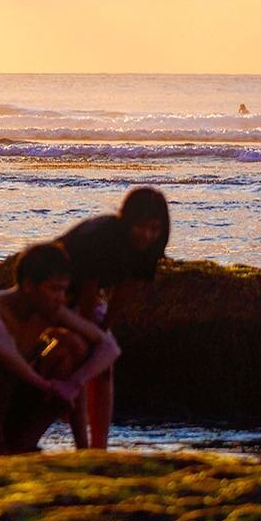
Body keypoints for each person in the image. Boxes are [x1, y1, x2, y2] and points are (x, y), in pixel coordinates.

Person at [0, 242, 118, 452]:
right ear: (28, 286)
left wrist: (74, 383)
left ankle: (32, 443)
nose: (61, 298)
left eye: (63, 289)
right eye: (54, 289)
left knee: (73, 347)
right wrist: (45, 385)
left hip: (15, 398)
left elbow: (109, 347)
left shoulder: (53, 311)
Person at [57, 186, 170, 449]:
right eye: (141, 226)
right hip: (59, 292)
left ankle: (100, 446)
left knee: (104, 366)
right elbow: (87, 287)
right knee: (80, 354)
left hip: (90, 296)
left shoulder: (150, 246)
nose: (147, 235)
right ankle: (82, 445)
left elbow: (125, 289)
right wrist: (89, 334)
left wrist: (104, 329)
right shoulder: (104, 237)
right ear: (127, 220)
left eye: (154, 228)